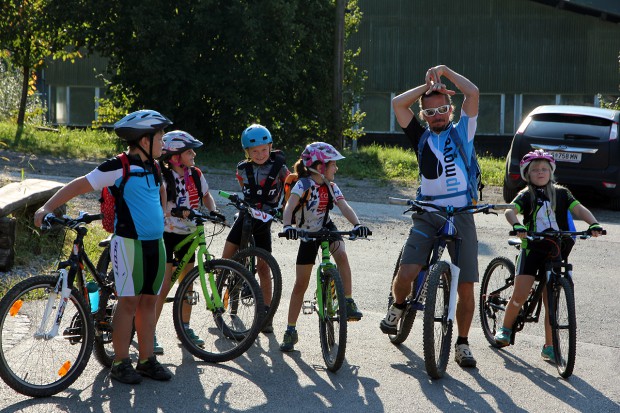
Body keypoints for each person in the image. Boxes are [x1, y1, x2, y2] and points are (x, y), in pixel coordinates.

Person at [34, 109, 173, 384]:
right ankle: (121, 362)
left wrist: (163, 211)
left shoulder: (155, 166)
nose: (164, 142)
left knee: (149, 302)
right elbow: (80, 184)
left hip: (156, 244)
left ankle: (147, 360)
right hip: (129, 244)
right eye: (160, 137)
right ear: (145, 140)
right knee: (129, 302)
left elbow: (160, 190)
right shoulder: (119, 166)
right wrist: (47, 206)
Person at [382, 65, 481, 368]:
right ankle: (398, 307)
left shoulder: (463, 130)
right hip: (428, 213)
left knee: (465, 285)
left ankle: (462, 344)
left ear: (451, 110)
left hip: (462, 213)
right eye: (430, 110)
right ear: (423, 115)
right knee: (409, 272)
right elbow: (398, 103)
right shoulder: (420, 137)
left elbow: (473, 93)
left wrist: (447, 72)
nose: (437, 114)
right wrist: (424, 87)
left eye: (442, 109)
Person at [494, 149, 603, 361]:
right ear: (528, 174)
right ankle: (505, 329)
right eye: (535, 170)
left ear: (551, 172)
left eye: (544, 169)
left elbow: (578, 209)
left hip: (556, 248)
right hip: (532, 248)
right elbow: (510, 210)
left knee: (550, 301)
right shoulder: (526, 194)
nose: (540, 172)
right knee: (520, 294)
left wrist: (593, 223)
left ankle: (550, 346)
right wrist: (517, 224)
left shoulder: (562, 193)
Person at [279, 142, 370, 352]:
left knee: (342, 256)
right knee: (300, 284)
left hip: (325, 227)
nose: (336, 169)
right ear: (320, 167)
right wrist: (287, 226)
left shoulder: (331, 185)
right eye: (333, 165)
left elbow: (344, 206)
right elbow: (289, 206)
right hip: (306, 234)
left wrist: (357, 225)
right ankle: (290, 330)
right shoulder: (302, 185)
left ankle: (347, 301)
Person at [153, 130, 222, 355]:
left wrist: (214, 210)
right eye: (189, 151)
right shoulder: (164, 177)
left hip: (190, 235)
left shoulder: (195, 174)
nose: (194, 154)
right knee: (164, 285)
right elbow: (163, 205)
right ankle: (149, 331)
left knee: (188, 284)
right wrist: (178, 210)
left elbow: (206, 196)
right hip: (168, 234)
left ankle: (185, 328)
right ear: (174, 156)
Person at [221, 124, 289, 333]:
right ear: (247, 152)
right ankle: (219, 295)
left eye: (263, 149)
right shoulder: (242, 169)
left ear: (270, 147)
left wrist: (283, 210)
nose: (260, 154)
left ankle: (266, 314)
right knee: (227, 255)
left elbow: (290, 190)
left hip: (265, 218)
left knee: (263, 266)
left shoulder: (281, 169)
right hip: (246, 214)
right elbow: (243, 186)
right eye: (254, 151)